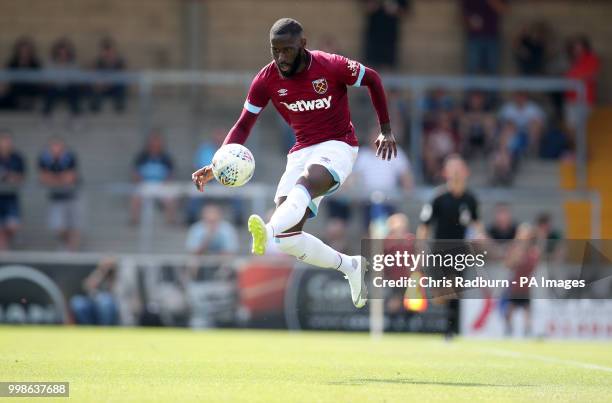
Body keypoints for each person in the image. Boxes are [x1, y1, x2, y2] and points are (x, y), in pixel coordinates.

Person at [192, 18, 397, 308]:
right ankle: (350, 266)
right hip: (301, 150)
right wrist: (217, 165)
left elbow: (373, 78)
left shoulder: (330, 65)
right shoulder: (266, 79)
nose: (281, 57)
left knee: (307, 183)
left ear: (302, 44)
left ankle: (268, 230)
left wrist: (386, 129)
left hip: (339, 145)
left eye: (287, 50)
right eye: (275, 50)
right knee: (289, 240)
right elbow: (243, 125)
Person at [416, 155, 484, 338]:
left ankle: (451, 329)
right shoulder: (438, 198)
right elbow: (424, 226)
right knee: (441, 294)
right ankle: (444, 324)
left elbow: (477, 224)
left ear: (465, 172)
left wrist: (479, 236)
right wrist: (420, 252)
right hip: (439, 251)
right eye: (452, 168)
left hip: (460, 251)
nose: (455, 172)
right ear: (446, 173)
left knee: (456, 289)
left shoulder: (470, 199)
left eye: (459, 168)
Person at [352, 128, 412, 228]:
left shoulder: (395, 152)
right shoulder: (364, 155)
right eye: (373, 136)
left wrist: (407, 188)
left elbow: (406, 175)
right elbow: (353, 177)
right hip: (367, 202)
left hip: (390, 202)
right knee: (369, 231)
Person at [38, 137, 81, 250]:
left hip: (72, 196)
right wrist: (60, 179)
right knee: (59, 227)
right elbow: (43, 178)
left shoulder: (70, 157)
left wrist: (53, 179)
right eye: (53, 146)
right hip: (56, 197)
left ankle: (72, 249)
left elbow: (70, 178)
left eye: (58, 146)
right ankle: (65, 245)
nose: (56, 149)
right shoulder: (44, 158)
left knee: (73, 226)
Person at [130, 131, 177, 225]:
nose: (155, 144)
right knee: (135, 198)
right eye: (153, 142)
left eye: (157, 141)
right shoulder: (142, 156)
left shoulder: (166, 157)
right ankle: (134, 221)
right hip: (144, 184)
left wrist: (164, 184)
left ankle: (170, 222)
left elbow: (170, 174)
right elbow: (135, 173)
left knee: (170, 198)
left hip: (161, 185)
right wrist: (141, 183)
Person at [503, 223, 540, 336]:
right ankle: (509, 330)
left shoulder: (533, 251)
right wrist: (517, 255)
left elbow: (533, 266)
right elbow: (508, 264)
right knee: (509, 311)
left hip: (525, 286)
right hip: (515, 286)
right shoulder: (514, 249)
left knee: (527, 310)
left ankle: (527, 331)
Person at [461, 0, 509, 75]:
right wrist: (470, 21)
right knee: (472, 69)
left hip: (492, 37)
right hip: (474, 37)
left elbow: (504, 9)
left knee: (493, 70)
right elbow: (463, 12)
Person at [564, 35, 600, 134]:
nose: (576, 48)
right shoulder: (571, 60)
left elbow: (592, 76)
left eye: (578, 45)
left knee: (578, 128)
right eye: (574, 46)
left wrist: (577, 78)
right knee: (570, 127)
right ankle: (575, 149)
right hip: (571, 99)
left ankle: (582, 149)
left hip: (584, 99)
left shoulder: (591, 58)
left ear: (585, 46)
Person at [70, 256, 119, 325]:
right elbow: (87, 286)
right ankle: (87, 330)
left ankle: (105, 330)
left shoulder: (118, 277)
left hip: (109, 306)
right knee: (77, 302)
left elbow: (115, 293)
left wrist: (111, 275)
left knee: (104, 302)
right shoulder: (98, 273)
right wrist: (101, 272)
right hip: (93, 303)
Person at [363, 0, 408, 70]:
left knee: (388, 66)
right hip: (373, 34)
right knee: (371, 66)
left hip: (390, 35)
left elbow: (405, 12)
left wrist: (395, 8)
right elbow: (366, 7)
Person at [43, 38, 82, 117]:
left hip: (69, 88)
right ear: (57, 53)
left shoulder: (74, 64)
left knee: (74, 91)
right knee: (49, 91)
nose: (63, 55)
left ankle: (76, 116)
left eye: (65, 53)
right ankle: (46, 116)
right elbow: (48, 79)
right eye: (60, 53)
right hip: (54, 88)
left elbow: (76, 79)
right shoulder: (51, 63)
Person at [0, 131, 26, 249]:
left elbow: (21, 177)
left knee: (12, 226)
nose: (5, 143)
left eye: (7, 140)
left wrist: (9, 176)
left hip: (11, 197)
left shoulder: (17, 157)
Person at [89, 37, 127, 113]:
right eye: (106, 50)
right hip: (102, 86)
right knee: (95, 87)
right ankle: (95, 107)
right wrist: (101, 83)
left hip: (114, 86)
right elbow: (93, 75)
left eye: (110, 50)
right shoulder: (98, 61)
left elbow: (122, 76)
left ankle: (119, 106)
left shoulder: (119, 62)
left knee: (120, 85)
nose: (108, 53)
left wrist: (110, 82)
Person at [4, 36, 42, 110]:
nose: (24, 52)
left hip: (30, 89)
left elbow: (38, 79)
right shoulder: (12, 62)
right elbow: (8, 77)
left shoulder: (35, 63)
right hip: (15, 89)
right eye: (22, 50)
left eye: (26, 50)